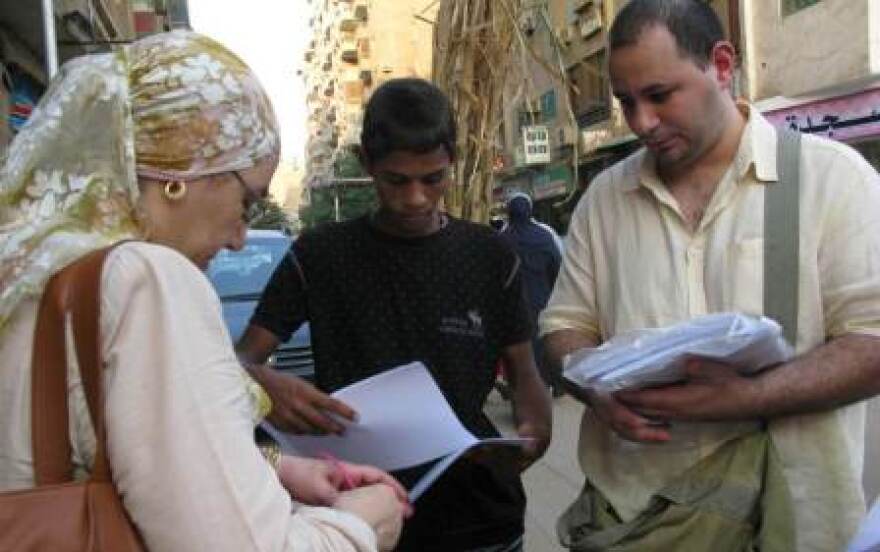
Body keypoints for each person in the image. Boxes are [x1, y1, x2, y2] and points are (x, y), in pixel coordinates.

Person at [0, 30, 409, 551]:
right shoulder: (145, 281)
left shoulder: (31, 271)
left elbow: (108, 449)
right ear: (181, 172)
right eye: (248, 202)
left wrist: (274, 465)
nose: (240, 238)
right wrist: (359, 524)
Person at [539, 1, 880, 551]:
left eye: (659, 95)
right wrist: (590, 380)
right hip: (635, 518)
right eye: (626, 102)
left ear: (721, 65)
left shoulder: (832, 179)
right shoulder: (605, 199)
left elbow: (872, 343)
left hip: (791, 522)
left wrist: (744, 397)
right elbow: (564, 326)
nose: (641, 123)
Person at [237, 78, 552, 551]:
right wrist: (262, 383)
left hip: (480, 516)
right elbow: (236, 365)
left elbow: (525, 373)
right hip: (361, 512)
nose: (416, 199)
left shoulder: (490, 255)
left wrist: (534, 433)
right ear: (368, 164)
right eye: (396, 180)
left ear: (452, 164)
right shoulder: (319, 256)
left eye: (434, 179)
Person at [499, 193, 562, 395]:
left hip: (512, 306)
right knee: (543, 344)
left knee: (518, 348)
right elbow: (558, 267)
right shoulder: (546, 235)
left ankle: (520, 390)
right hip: (542, 301)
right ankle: (551, 384)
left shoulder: (501, 239)